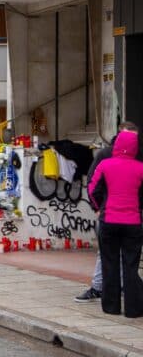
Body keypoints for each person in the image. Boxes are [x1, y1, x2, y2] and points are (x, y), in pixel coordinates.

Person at [75, 122, 141, 303]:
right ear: (119, 135)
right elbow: (92, 182)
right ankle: (100, 287)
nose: (133, 140)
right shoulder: (105, 154)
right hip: (108, 211)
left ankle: (121, 291)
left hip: (130, 214)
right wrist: (97, 207)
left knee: (123, 256)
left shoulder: (138, 155)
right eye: (129, 135)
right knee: (108, 254)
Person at [88, 130, 143, 317]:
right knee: (131, 265)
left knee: (109, 263)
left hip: (109, 220)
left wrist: (99, 208)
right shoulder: (140, 168)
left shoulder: (105, 165)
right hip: (133, 222)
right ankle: (134, 309)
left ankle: (111, 307)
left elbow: (92, 189)